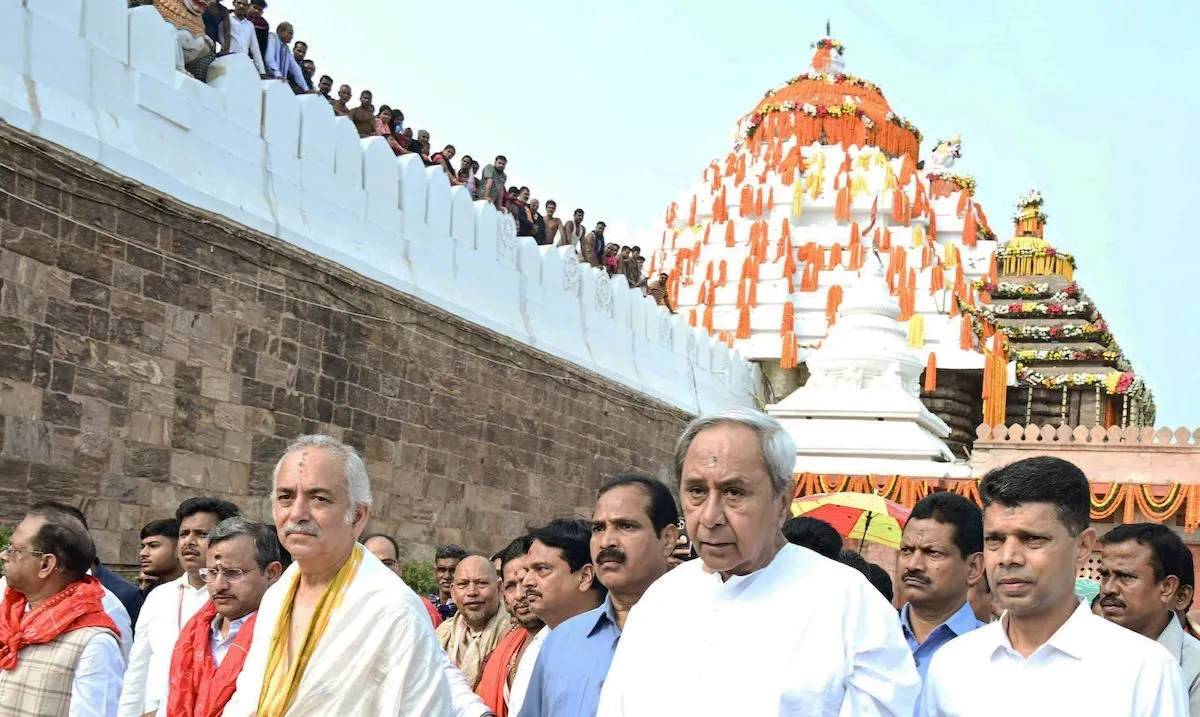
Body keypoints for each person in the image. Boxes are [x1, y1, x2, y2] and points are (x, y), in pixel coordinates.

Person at [597, 408, 920, 716]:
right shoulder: (661, 600)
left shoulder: (847, 602)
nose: (710, 517)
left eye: (734, 492)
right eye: (696, 491)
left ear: (782, 501)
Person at [921, 457, 1189, 715]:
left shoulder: (1146, 671)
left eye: (1032, 539)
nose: (1008, 558)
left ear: (1083, 547)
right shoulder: (952, 664)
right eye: (995, 539)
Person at [223, 435, 453, 715]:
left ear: (357, 516)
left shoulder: (392, 609)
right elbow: (249, 696)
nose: (297, 513)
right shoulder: (276, 596)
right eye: (285, 497)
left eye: (318, 499)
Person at [519, 476, 678, 717]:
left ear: (667, 539)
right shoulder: (561, 640)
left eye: (626, 526)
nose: (607, 542)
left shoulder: (702, 633)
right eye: (599, 528)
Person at [120, 496, 241, 717]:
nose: (189, 542)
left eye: (202, 534)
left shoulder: (234, 597)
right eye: (184, 534)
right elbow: (137, 670)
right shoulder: (159, 596)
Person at [0, 505, 123, 716]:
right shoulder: (10, 617)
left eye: (14, 549)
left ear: (46, 564)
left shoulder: (93, 642)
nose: (4, 555)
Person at [163, 517, 284, 717]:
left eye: (233, 573)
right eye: (211, 572)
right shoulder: (193, 634)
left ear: (272, 573)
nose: (219, 585)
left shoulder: (284, 634)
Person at [1097, 523, 1200, 713]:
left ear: (1167, 588)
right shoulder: (1079, 649)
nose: (1108, 588)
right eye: (1104, 575)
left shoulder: (1194, 670)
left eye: (1125, 576)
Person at [897, 492, 985, 713]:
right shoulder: (869, 637)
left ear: (973, 568)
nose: (913, 565)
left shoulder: (994, 654)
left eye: (932, 553)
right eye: (906, 550)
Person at [510, 519, 605, 715]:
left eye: (541, 569)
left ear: (585, 576)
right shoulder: (539, 644)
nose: (526, 582)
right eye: (528, 570)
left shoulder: (622, 641)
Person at [23, 502, 135, 660]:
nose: (5, 555)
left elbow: (119, 668)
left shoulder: (107, 604)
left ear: (48, 561)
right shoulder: (8, 589)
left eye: (16, 548)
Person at [475, 537, 543, 717]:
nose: (520, 595)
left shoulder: (563, 642)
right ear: (501, 591)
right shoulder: (508, 641)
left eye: (527, 581)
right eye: (511, 586)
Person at [436, 556, 509, 689]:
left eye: (481, 583)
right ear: (453, 592)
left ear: (499, 588)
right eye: (463, 584)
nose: (472, 592)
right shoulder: (442, 633)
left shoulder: (513, 632)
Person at [362, 534, 442, 627]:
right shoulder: (348, 606)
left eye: (387, 563)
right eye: (372, 562)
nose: (381, 569)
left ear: (399, 568)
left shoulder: (423, 609)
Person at [139, 519, 183, 596]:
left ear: (179, 549)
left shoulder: (204, 592)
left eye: (153, 546)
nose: (143, 553)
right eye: (143, 547)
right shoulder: (148, 594)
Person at [264, 22, 309, 92]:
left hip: (278, 82)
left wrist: (306, 89)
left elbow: (295, 69)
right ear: (280, 31)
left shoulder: (286, 49)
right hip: (266, 80)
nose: (292, 36)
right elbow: (269, 59)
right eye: (289, 33)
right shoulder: (272, 38)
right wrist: (278, 75)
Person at [225, 0, 265, 77]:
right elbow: (220, 37)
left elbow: (255, 48)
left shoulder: (250, 25)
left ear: (247, 7)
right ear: (234, 3)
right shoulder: (227, 18)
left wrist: (261, 71)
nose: (241, 6)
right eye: (239, 3)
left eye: (244, 4)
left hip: (244, 62)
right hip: (227, 59)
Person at [432, 544, 468, 621]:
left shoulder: (469, 610)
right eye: (442, 569)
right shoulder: (425, 606)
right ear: (434, 572)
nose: (446, 576)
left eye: (453, 570)